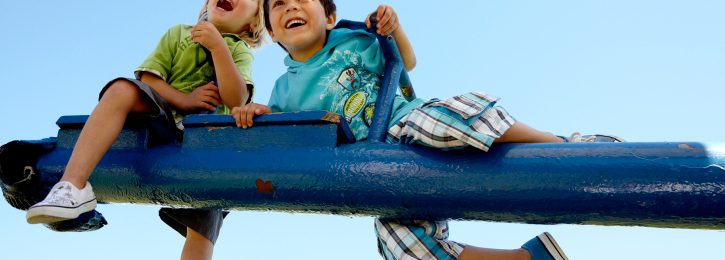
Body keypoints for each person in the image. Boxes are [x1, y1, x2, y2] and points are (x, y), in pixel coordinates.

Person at [236, 0, 625, 259]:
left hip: (403, 122)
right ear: (272, 31)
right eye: (278, 5)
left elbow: (406, 60)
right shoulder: (282, 90)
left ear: (330, 17)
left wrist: (393, 28)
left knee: (445, 120)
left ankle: (564, 144)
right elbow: (288, 133)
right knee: (399, 245)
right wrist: (259, 112)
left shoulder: (352, 38)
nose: (290, 5)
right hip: (372, 166)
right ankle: (527, 257)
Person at [25, 0, 266, 259]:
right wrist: (184, 100)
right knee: (121, 88)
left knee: (204, 221)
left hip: (205, 143)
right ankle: (72, 186)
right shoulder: (179, 34)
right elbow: (149, 78)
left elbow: (236, 99)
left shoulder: (238, 50)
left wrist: (218, 47)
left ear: (253, 23)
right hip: (161, 121)